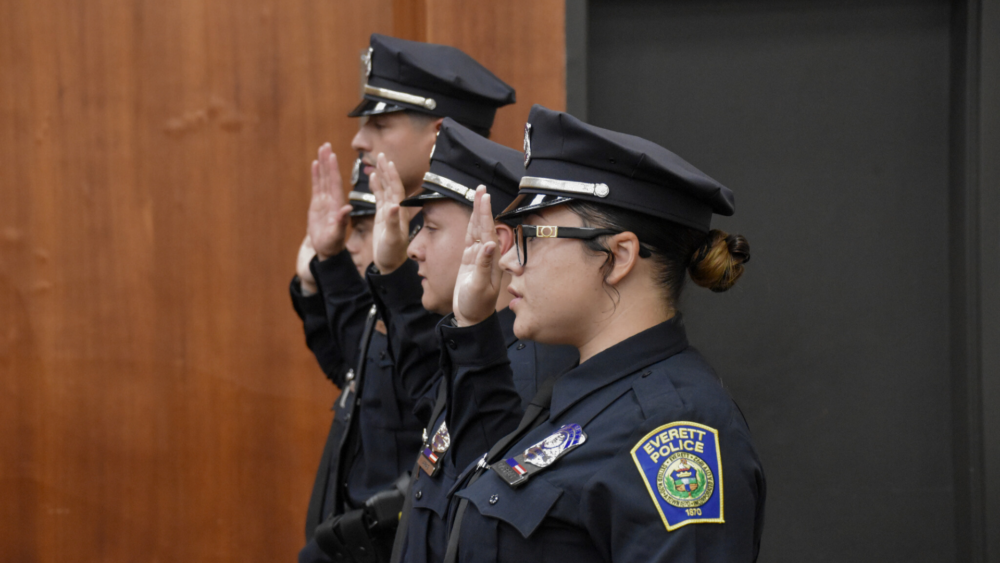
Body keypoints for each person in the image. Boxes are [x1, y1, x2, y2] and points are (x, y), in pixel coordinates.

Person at [436, 105, 766, 562]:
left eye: (532, 235)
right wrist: (473, 331)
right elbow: (479, 489)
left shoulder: (672, 429)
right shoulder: (587, 393)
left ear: (617, 256)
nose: (509, 260)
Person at [292, 33, 516, 563]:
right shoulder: (414, 242)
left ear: (437, 133)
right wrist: (326, 268)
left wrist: (363, 531)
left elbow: (432, 400)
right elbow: (365, 371)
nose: (359, 140)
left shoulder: (459, 255)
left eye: (381, 123)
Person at [348, 119, 577, 563]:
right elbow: (420, 385)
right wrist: (393, 273)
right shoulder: (485, 355)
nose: (415, 248)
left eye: (430, 228)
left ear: (492, 241)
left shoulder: (520, 377)